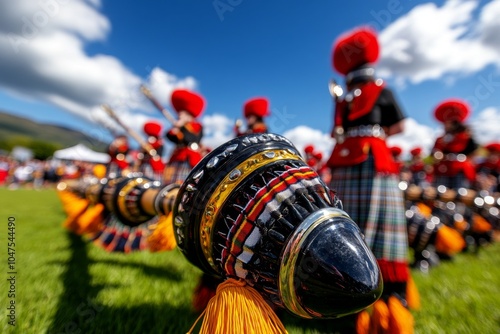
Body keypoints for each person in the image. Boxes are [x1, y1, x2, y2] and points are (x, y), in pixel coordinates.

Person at [325, 26, 416, 332]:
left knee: (351, 223)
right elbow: (398, 126)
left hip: (355, 158)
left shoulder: (357, 93)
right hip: (367, 157)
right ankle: (367, 293)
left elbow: (396, 127)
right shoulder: (366, 92)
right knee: (367, 225)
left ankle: (374, 298)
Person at [431, 99, 478, 190]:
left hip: (461, 172)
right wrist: (438, 156)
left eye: (450, 122)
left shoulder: (467, 138)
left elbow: (473, 154)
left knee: (461, 193)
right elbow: (434, 154)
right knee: (441, 193)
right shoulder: (440, 140)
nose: (447, 124)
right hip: (443, 171)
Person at [163, 89, 205, 185]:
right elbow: (169, 137)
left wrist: (181, 126)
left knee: (187, 182)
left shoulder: (197, 126)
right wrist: (176, 128)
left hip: (189, 158)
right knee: (170, 181)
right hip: (177, 156)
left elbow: (192, 139)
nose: (179, 115)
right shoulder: (178, 127)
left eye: (183, 114)